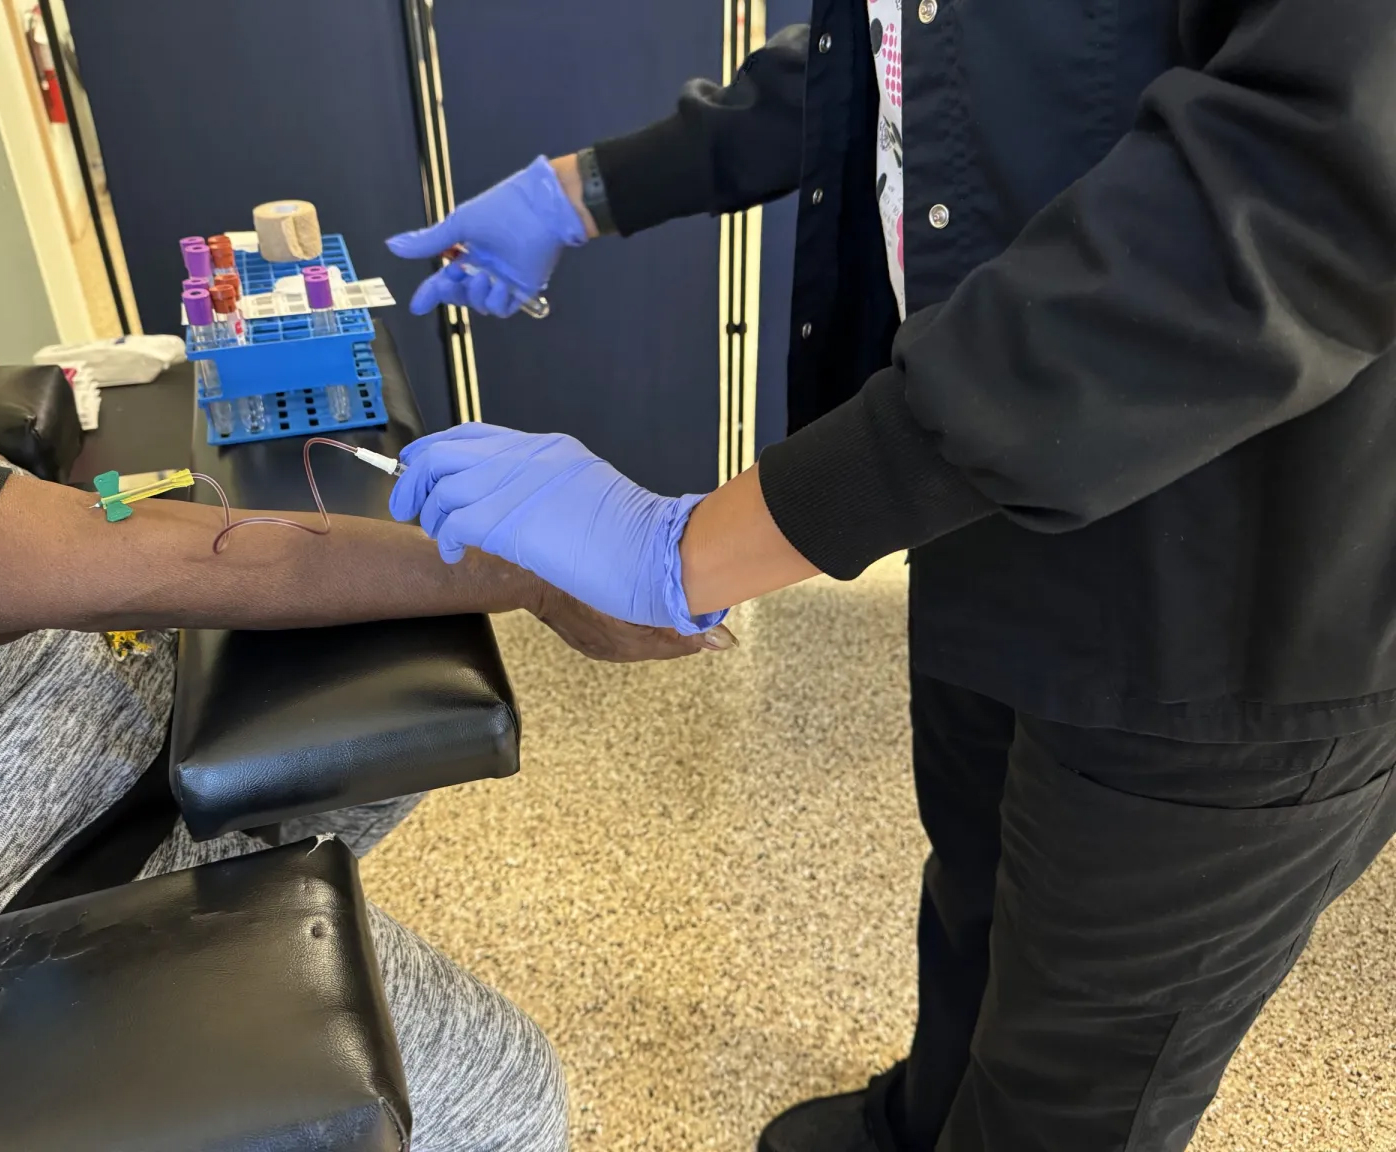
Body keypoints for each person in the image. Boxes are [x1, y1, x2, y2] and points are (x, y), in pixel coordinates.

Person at [383, 2, 1396, 1150]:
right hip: (978, 506)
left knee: (1085, 1067)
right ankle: (923, 1121)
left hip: (1227, 587)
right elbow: (900, 56)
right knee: (976, 893)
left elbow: (1300, 195)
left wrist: (689, 547)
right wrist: (582, 190)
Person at [0, 325, 731, 1151]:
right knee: (505, 1096)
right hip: (0, 877)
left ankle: (263, 871)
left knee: (383, 743)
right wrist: (528, 573)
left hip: (103, 714)